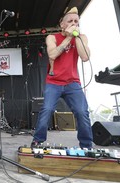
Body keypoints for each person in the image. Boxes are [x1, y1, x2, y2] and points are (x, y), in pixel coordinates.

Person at [31, 7, 93, 149]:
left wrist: (75, 36)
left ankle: (87, 146)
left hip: (72, 83)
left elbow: (85, 57)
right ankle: (37, 141)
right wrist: (69, 37)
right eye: (70, 21)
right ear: (62, 24)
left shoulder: (82, 38)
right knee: (46, 110)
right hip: (54, 82)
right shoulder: (52, 37)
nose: (74, 23)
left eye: (76, 21)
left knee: (82, 112)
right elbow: (52, 54)